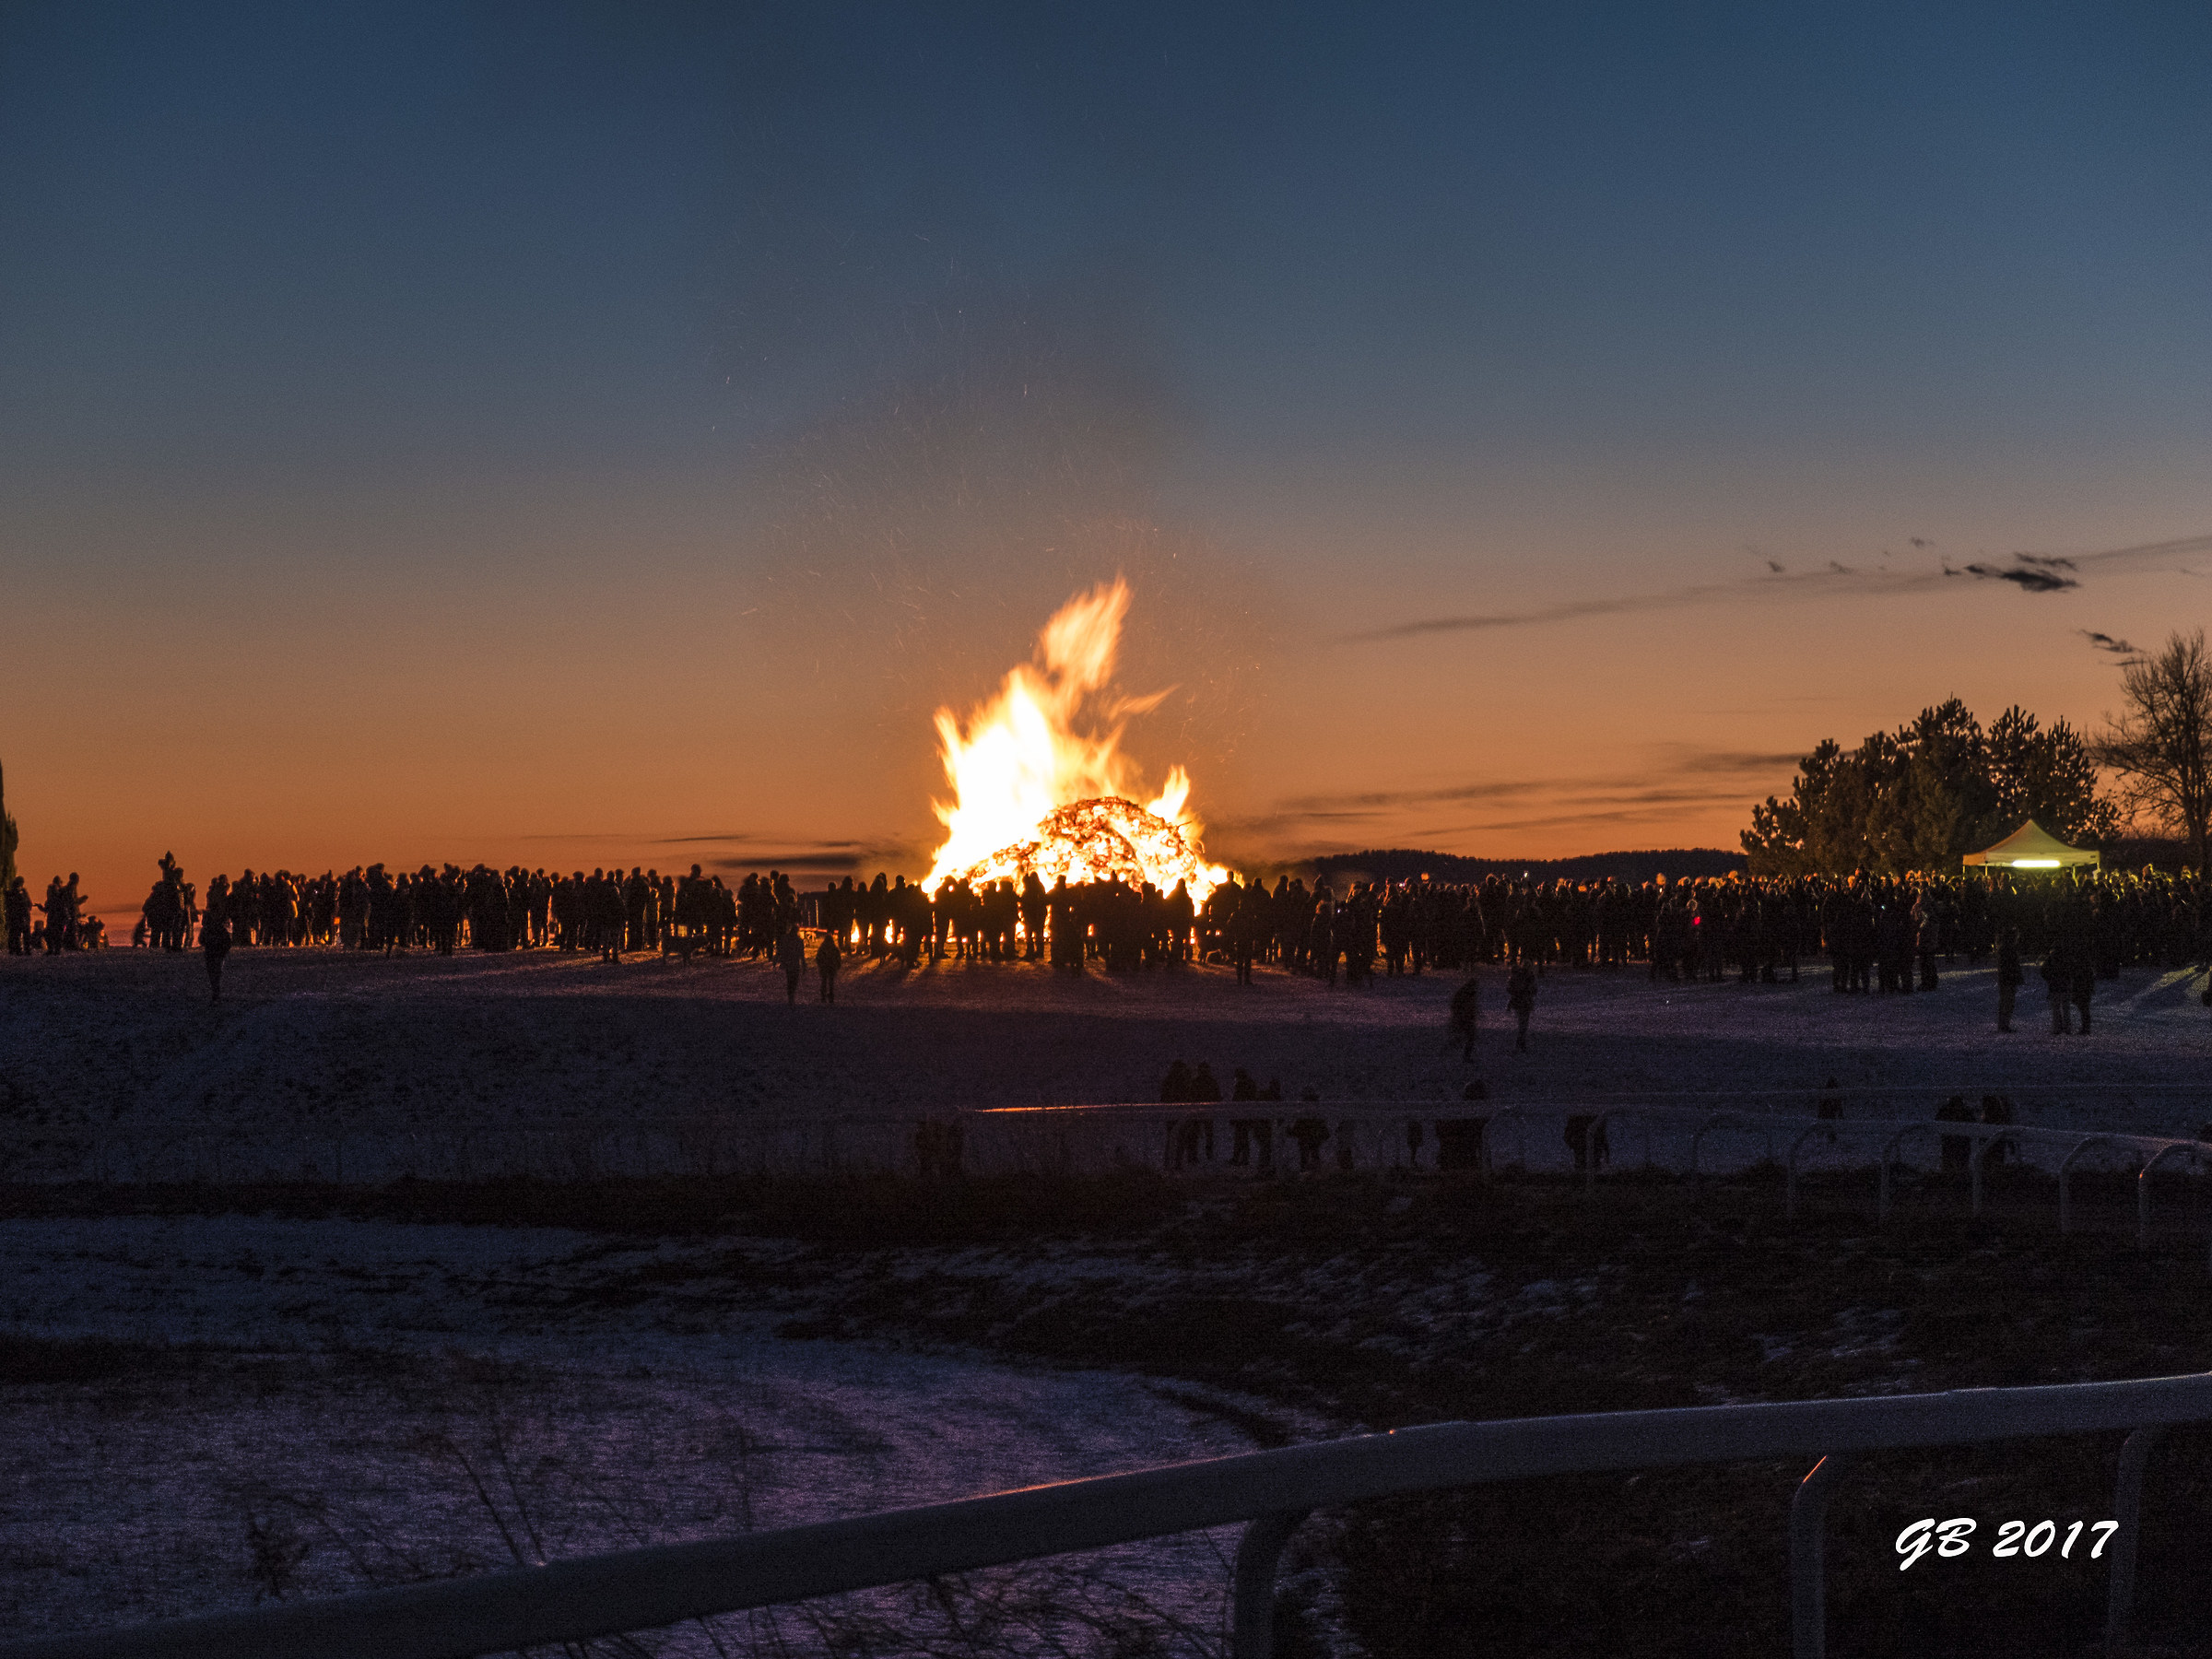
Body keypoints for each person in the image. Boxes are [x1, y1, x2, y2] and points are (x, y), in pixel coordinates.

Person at [201, 881, 232, 1004]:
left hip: (213, 950)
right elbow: (227, 941)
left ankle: (216, 992)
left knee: (214, 972)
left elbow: (202, 939)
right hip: (216, 950)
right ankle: (216, 991)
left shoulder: (211, 927)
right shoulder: (219, 927)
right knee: (216, 972)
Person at [1995, 926, 2024, 1033]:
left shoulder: (2004, 948)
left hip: (2005, 979)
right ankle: (2004, 1025)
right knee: (2007, 1002)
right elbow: (2012, 966)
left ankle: (2002, 1024)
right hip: (2008, 979)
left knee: (2005, 1002)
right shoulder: (2009, 949)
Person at [1449, 971, 1481, 1063]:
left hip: (1467, 1018)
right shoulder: (1464, 993)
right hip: (1463, 1019)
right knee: (1468, 1037)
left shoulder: (1470, 993)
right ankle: (1463, 1055)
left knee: (1469, 1037)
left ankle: (1464, 1055)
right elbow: (1456, 1005)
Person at [1505, 961, 1536, 1052]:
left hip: (1519, 1003)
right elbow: (1534, 990)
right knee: (1523, 1024)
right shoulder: (1529, 978)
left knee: (1522, 1024)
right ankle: (1521, 1043)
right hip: (1524, 1003)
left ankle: (1520, 1042)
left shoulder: (1517, 978)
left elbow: (1510, 990)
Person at [777, 924, 806, 1005]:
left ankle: (790, 996)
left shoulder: (785, 939)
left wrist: (778, 959)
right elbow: (801, 954)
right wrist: (804, 965)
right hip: (795, 964)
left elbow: (781, 950)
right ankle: (791, 995)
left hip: (788, 963)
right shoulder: (799, 941)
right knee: (794, 980)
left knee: (790, 980)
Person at [815, 930, 842, 1003]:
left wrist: (820, 965)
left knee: (824, 982)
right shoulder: (834, 948)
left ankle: (823, 996)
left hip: (824, 967)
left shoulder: (822, 948)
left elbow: (818, 958)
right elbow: (838, 957)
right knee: (831, 982)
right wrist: (838, 965)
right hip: (832, 967)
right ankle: (831, 996)